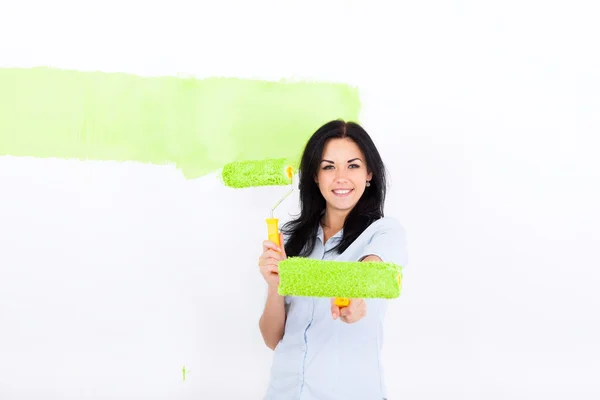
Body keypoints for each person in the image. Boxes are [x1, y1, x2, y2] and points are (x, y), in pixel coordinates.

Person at [257, 119, 408, 400]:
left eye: (353, 165)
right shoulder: (291, 239)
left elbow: (373, 269)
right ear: (315, 175)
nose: (341, 177)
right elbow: (272, 339)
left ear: (369, 173)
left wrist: (356, 298)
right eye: (329, 166)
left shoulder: (384, 232)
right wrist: (274, 284)